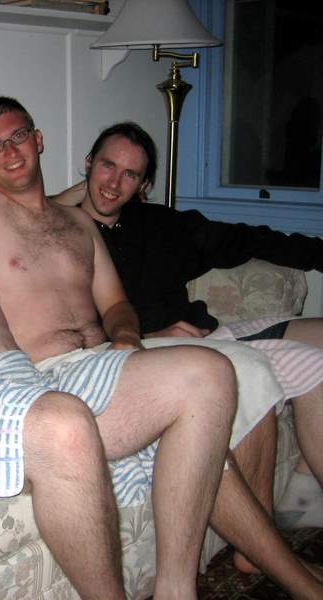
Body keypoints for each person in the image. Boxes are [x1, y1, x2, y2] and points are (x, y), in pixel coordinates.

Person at [0, 117, 323, 598]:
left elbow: (109, 295)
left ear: (38, 140)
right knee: (72, 421)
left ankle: (178, 589)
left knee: (212, 374)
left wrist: (127, 336)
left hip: (60, 369)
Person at [54, 120, 323, 566]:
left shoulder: (161, 225)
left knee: (317, 350)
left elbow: (247, 239)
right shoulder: (61, 236)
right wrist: (150, 336)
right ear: (88, 164)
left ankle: (302, 491)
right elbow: (70, 333)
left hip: (206, 336)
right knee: (269, 369)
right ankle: (256, 550)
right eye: (106, 166)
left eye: (130, 174)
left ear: (143, 184)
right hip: (155, 355)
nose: (114, 183)